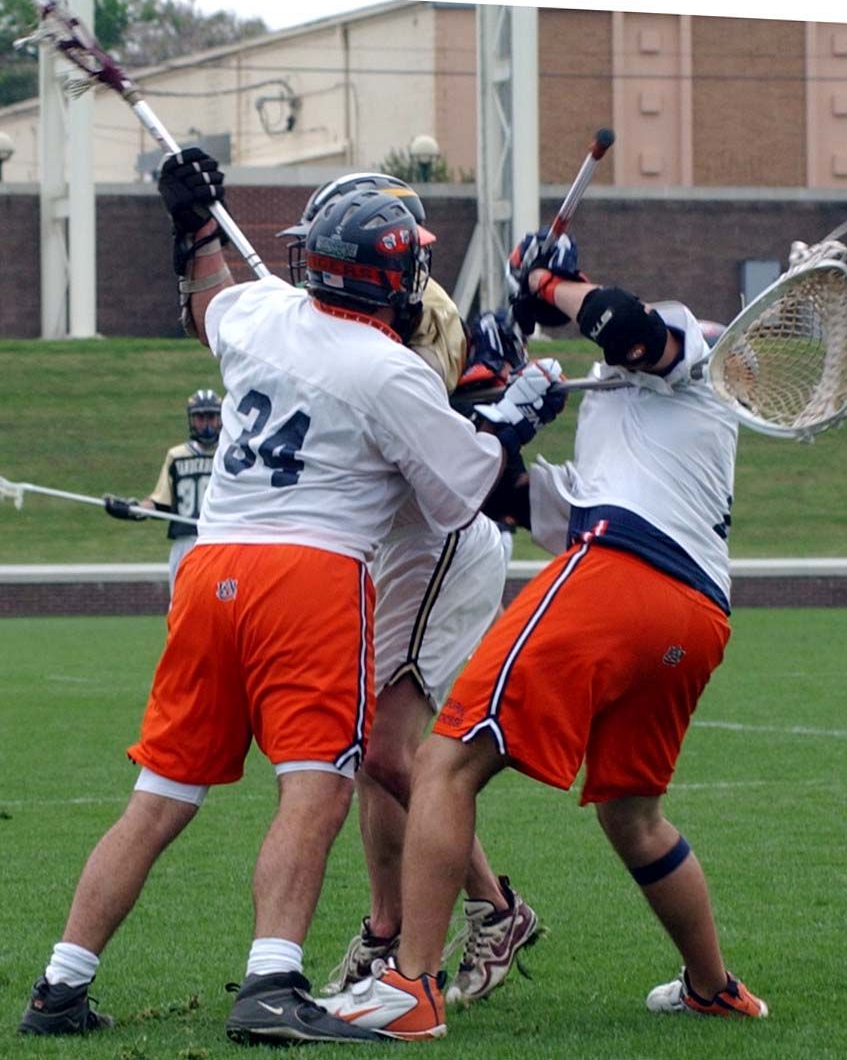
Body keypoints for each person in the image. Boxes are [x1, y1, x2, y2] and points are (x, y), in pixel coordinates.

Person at [17, 152, 564, 1047]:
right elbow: (464, 490)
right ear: (392, 274)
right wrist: (521, 412)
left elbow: (206, 301)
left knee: (158, 796)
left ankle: (60, 985)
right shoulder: (387, 369)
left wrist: (194, 226)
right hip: (306, 578)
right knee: (313, 791)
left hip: (210, 569)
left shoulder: (261, 312)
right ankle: (272, 982)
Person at [318, 231, 769, 1039]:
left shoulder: (691, 348)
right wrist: (503, 410)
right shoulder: (635, 434)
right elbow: (508, 498)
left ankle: (411, 989)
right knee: (631, 813)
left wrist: (548, 285)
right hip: (695, 617)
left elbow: (625, 324)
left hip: (624, 573)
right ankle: (713, 986)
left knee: (445, 762)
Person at [280, 173, 541, 1005]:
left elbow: (434, 438)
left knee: (388, 748)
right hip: (395, 546)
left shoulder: (420, 318)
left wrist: (492, 385)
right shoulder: (344, 316)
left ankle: (494, 907)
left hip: (438, 544)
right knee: (369, 748)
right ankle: (386, 926)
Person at [103, 389, 222, 594]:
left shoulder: (231, 455)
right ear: (192, 420)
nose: (206, 424)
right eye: (200, 418)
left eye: (211, 417)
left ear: (220, 418)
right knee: (181, 604)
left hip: (220, 540)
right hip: (186, 542)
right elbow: (161, 502)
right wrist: (131, 509)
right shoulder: (177, 456)